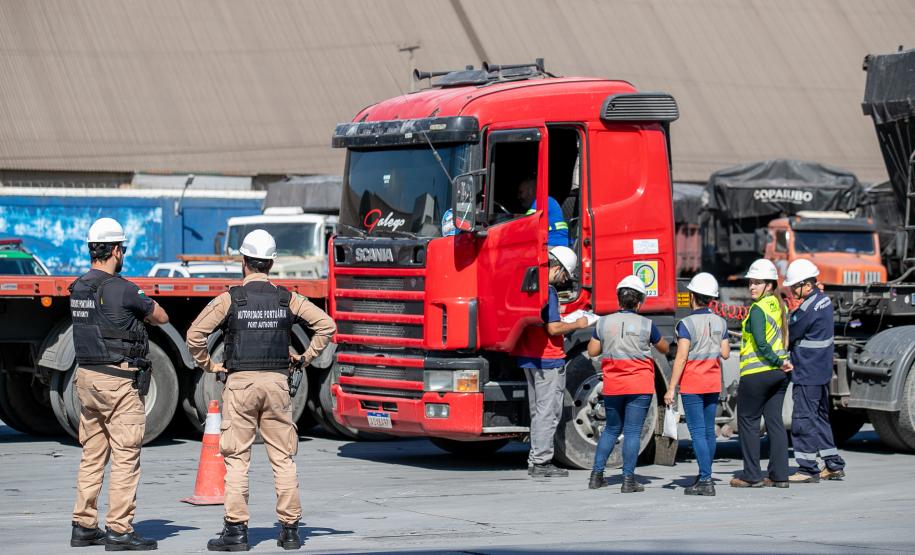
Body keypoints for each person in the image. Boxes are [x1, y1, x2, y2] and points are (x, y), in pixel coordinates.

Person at [186, 229, 336, 552]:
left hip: (240, 385)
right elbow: (327, 325)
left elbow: (194, 335)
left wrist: (209, 366)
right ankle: (291, 531)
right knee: (283, 458)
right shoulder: (287, 298)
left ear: (244, 262)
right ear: (271, 263)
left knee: (237, 458)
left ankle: (236, 532)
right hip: (278, 384)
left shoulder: (231, 299)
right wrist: (306, 357)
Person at [69, 217, 169, 550]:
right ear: (115, 250)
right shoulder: (124, 289)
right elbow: (161, 316)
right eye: (121, 249)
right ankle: (119, 530)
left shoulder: (79, 287)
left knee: (93, 454)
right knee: (126, 455)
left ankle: (83, 526)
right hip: (119, 381)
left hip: (86, 378)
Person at [589, 275, 669, 492]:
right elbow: (664, 348)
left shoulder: (604, 322)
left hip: (613, 384)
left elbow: (592, 351)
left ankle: (596, 476)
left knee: (611, 429)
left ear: (618, 299)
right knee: (633, 432)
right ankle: (628, 480)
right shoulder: (647, 325)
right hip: (639, 386)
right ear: (639, 302)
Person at [513, 245, 588, 478]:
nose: (564, 280)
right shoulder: (549, 292)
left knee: (538, 411)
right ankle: (541, 462)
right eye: (565, 275)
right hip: (548, 359)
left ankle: (536, 457)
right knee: (549, 412)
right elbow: (553, 328)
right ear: (557, 268)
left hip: (530, 356)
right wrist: (578, 324)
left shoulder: (529, 285)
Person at [664, 272, 729, 496]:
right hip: (712, 383)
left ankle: (705, 479)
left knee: (697, 432)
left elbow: (681, 357)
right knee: (709, 432)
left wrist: (671, 387)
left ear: (692, 297)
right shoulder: (721, 322)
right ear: (711, 298)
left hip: (693, 384)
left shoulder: (686, 323)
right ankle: (706, 474)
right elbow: (726, 353)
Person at [730, 258, 793, 488]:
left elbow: (761, 343)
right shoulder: (780, 306)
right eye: (750, 283)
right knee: (775, 422)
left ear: (769, 284)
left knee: (747, 421)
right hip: (779, 374)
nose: (752, 287)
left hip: (758, 373)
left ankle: (752, 475)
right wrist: (782, 363)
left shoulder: (757, 309)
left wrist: (776, 360)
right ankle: (780, 476)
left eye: (757, 283)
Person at [784, 259, 846, 483]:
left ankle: (807, 468)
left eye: (794, 287)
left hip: (807, 371)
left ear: (807, 285)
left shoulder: (807, 308)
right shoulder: (824, 301)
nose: (792, 291)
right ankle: (833, 464)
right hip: (820, 371)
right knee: (820, 418)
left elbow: (793, 331)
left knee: (803, 418)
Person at [518, 177, 569, 247]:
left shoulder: (542, 201)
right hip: (553, 244)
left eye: (521, 192)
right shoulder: (546, 201)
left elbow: (525, 225)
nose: (518, 197)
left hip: (555, 245)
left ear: (530, 191)